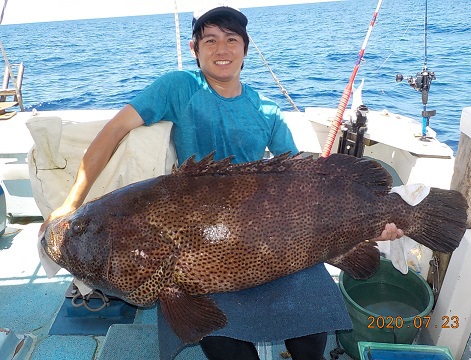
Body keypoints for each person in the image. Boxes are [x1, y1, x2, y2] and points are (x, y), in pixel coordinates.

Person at [40, 3, 403, 359]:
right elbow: (115, 130)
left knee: (311, 339)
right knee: (225, 345)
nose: (222, 49)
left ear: (246, 48)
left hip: (275, 236)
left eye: (231, 39)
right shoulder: (178, 87)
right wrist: (73, 201)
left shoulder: (268, 111)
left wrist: (371, 222)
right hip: (198, 236)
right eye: (210, 40)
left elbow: (302, 179)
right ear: (194, 49)